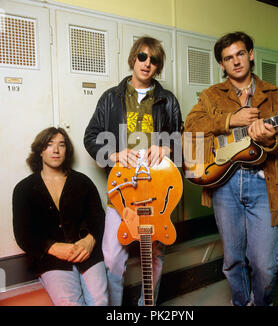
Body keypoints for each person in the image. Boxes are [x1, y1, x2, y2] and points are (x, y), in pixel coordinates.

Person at [184, 31, 278, 306]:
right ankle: (240, 302)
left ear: (251, 54)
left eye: (240, 54)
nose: (235, 62)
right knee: (233, 260)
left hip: (265, 184)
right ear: (221, 65)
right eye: (228, 58)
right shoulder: (211, 96)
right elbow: (191, 127)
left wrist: (270, 140)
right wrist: (230, 119)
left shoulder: (277, 96)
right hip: (225, 184)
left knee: (264, 265)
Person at [84, 36, 182, 305]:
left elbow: (180, 139)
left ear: (158, 66)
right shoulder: (110, 98)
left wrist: (167, 149)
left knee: (155, 259)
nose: (147, 63)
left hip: (157, 192)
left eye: (154, 60)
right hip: (123, 192)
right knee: (113, 257)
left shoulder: (168, 100)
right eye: (142, 56)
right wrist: (113, 154)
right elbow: (91, 138)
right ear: (133, 58)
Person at [13, 127, 108, 306]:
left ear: (67, 150)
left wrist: (90, 240)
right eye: (49, 145)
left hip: (88, 252)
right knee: (69, 303)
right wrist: (53, 247)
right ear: (40, 151)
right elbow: (23, 235)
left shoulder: (83, 182)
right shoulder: (23, 189)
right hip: (51, 259)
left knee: (99, 301)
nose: (56, 150)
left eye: (61, 145)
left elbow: (98, 218)